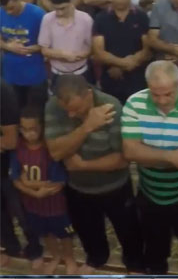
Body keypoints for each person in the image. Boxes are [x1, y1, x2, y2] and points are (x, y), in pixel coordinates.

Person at [44, 74, 142, 274]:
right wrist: (87, 126)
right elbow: (55, 152)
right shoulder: (53, 106)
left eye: (76, 109)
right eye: (67, 110)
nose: (71, 114)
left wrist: (82, 165)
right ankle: (96, 257)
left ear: (89, 94)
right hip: (77, 187)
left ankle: (134, 263)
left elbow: (123, 159)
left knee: (129, 230)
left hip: (115, 186)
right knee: (87, 230)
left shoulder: (112, 106)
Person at [121, 61, 178, 275]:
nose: (161, 101)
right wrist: (172, 156)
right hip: (150, 194)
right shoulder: (134, 103)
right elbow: (130, 152)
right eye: (155, 94)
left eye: (168, 94)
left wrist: (148, 155)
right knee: (154, 251)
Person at [10, 106, 78, 274]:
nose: (28, 134)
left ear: (42, 127)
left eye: (33, 129)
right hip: (33, 205)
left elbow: (57, 183)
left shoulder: (50, 148)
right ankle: (55, 256)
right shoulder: (18, 148)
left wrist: (28, 182)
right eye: (24, 129)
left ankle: (69, 257)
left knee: (65, 235)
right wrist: (33, 191)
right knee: (46, 234)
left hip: (56, 206)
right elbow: (15, 179)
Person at [0, 81, 43, 271]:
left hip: (10, 167)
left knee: (22, 212)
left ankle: (35, 250)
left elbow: (9, 141)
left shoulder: (3, 92)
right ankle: (10, 248)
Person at [92, 0, 150, 104]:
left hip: (137, 81)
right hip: (110, 81)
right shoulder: (100, 18)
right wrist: (122, 63)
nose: (120, 0)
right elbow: (98, 52)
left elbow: (147, 48)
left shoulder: (141, 17)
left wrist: (126, 65)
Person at [0, 0, 47, 109]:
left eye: (11, 8)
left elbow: (48, 43)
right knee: (14, 110)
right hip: (10, 74)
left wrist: (30, 49)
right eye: (5, 9)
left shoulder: (37, 14)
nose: (9, 12)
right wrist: (9, 47)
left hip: (35, 74)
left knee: (36, 112)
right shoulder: (0, 13)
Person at [38, 0, 92, 86]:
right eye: (56, 9)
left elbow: (91, 48)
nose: (59, 12)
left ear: (71, 2)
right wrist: (63, 55)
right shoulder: (47, 19)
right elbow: (44, 50)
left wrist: (77, 56)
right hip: (57, 74)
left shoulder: (86, 19)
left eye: (62, 8)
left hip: (81, 73)